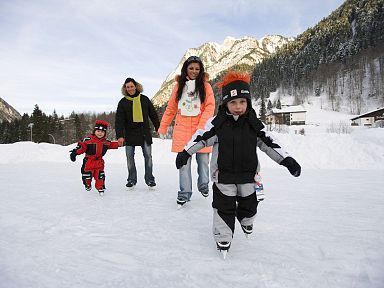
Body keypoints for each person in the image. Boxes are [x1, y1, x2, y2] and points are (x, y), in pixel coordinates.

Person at [175, 71, 301, 253]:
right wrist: (185, 153)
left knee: (249, 207)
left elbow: (270, 143)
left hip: (249, 177)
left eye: (242, 102)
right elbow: (200, 138)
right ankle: (223, 238)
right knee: (223, 209)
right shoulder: (217, 123)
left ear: (248, 102)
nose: (238, 106)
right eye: (233, 102)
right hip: (223, 177)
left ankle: (246, 221)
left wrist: (287, 160)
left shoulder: (254, 124)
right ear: (226, 103)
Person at [158, 55, 215, 206]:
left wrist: (202, 126)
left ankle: (203, 186)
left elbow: (210, 106)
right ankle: (184, 193)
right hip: (182, 131)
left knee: (203, 162)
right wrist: (163, 126)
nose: (194, 71)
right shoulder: (179, 86)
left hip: (200, 131)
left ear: (201, 70)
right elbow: (171, 108)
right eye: (191, 68)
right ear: (185, 69)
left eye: (197, 68)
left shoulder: (206, 86)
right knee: (183, 165)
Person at [115, 77, 160, 189]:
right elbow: (119, 121)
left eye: (131, 86)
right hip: (129, 133)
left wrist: (158, 127)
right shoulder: (123, 102)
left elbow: (153, 114)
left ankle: (150, 179)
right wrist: (120, 136)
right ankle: (131, 180)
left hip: (144, 132)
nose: (130, 88)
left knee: (148, 156)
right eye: (127, 87)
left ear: (136, 86)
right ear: (125, 88)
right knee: (129, 157)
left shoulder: (144, 99)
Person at [70, 120, 119, 196]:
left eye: (102, 132)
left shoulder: (105, 142)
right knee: (87, 176)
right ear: (94, 131)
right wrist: (75, 153)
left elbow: (113, 144)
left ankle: (100, 187)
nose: (100, 133)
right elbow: (82, 147)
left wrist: (122, 143)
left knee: (100, 176)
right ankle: (87, 184)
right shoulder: (88, 140)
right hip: (88, 162)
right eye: (98, 131)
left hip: (99, 162)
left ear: (105, 133)